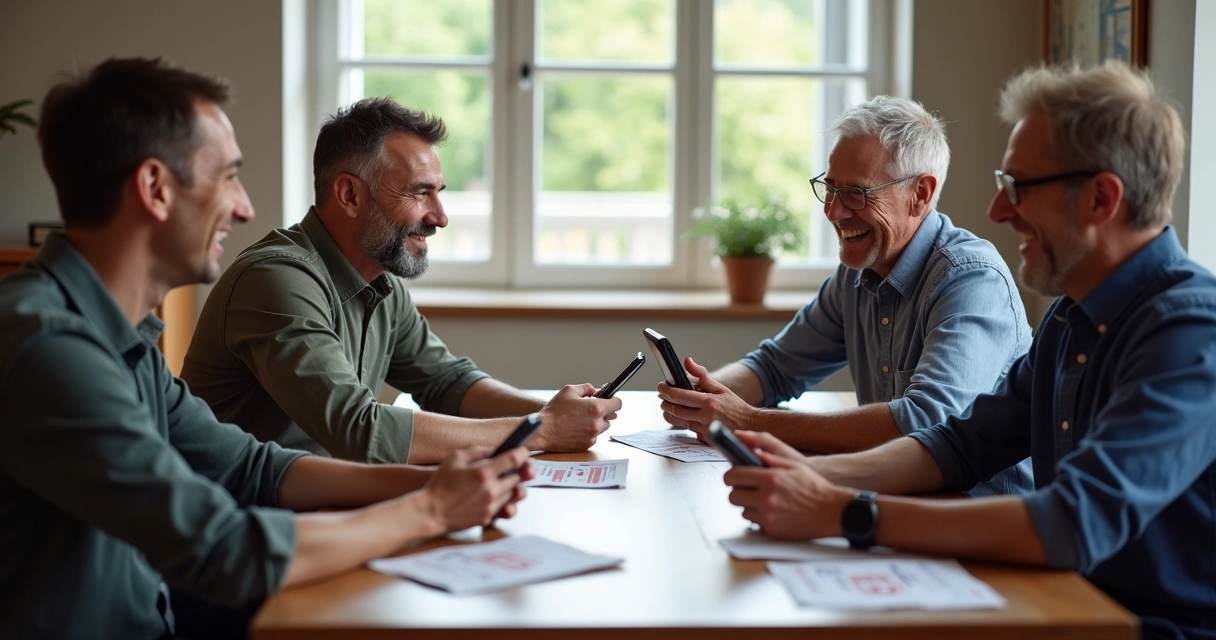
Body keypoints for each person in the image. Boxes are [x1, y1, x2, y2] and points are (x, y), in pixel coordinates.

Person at [0, 57, 533, 640]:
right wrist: (429, 510)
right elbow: (223, 547)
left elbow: (250, 467)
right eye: (227, 176)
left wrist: (435, 485)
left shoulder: (117, 339)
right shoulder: (52, 348)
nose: (244, 207)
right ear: (154, 188)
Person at [723, 61, 1215, 639]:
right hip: (1061, 603)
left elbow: (1073, 519)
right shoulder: (1070, 317)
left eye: (1017, 188)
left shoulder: (1189, 332)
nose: (997, 211)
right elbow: (959, 443)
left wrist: (844, 510)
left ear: (1101, 200)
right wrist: (811, 475)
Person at [180, 97, 621, 464]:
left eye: (438, 193)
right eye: (418, 192)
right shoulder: (276, 280)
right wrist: (541, 431)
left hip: (324, 511)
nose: (440, 218)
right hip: (246, 533)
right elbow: (359, 430)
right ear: (350, 195)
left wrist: (555, 414)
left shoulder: (378, 280)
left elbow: (446, 383)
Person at [659, 95, 1033, 496]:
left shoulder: (971, 279)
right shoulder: (857, 273)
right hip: (896, 506)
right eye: (830, 188)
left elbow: (925, 421)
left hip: (978, 524)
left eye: (856, 193)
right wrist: (704, 397)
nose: (833, 212)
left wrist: (749, 420)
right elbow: (775, 367)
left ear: (920, 194)